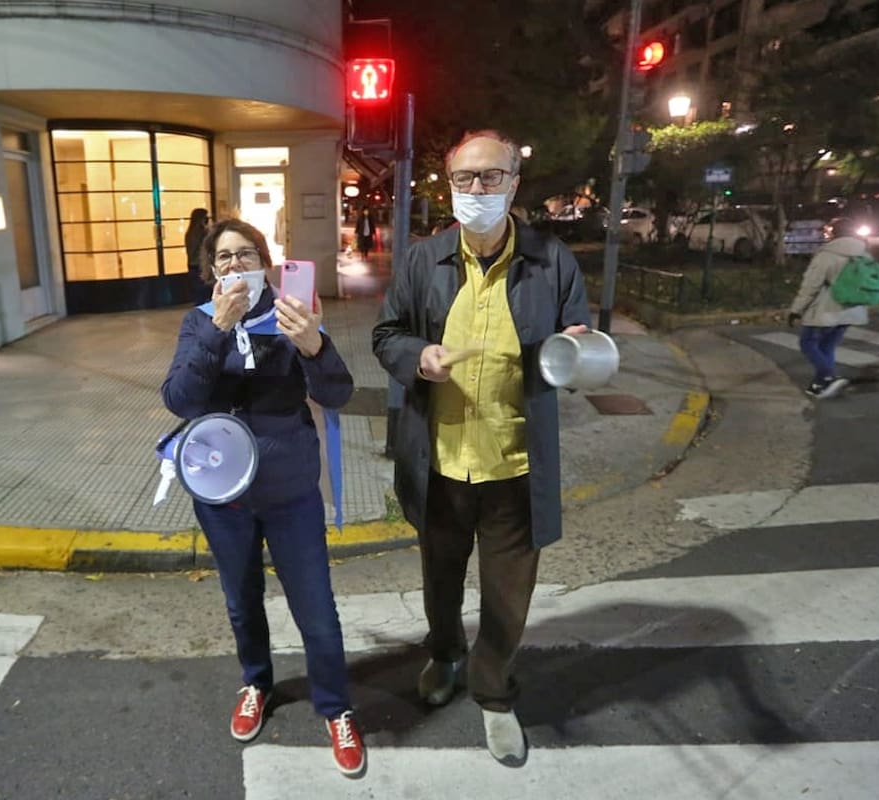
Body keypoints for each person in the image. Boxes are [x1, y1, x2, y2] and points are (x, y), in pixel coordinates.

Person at [371, 129, 591, 766]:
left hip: (515, 465)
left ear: (515, 184)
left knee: (507, 592)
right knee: (440, 579)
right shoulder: (421, 260)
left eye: (491, 177)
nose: (477, 190)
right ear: (449, 186)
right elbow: (385, 335)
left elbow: (575, 347)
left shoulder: (553, 262)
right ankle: (445, 656)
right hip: (436, 460)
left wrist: (574, 349)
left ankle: (494, 691)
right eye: (465, 179)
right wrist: (418, 357)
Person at [161, 218, 366, 777]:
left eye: (245, 254)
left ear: (265, 263)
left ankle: (336, 706)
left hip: (290, 486)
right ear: (210, 270)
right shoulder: (198, 322)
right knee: (241, 599)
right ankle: (256, 682)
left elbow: (337, 392)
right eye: (223, 258)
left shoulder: (291, 312)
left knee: (316, 607)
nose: (234, 265)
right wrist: (216, 332)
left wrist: (312, 343)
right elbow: (181, 399)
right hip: (222, 491)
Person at [788, 216, 868, 398]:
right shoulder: (864, 253)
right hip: (852, 309)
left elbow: (811, 285)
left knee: (807, 343)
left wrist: (796, 309)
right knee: (828, 345)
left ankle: (829, 376)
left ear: (835, 233)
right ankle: (819, 384)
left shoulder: (828, 254)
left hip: (827, 309)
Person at [184, 208, 211, 304]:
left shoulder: (190, 233)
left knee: (199, 293)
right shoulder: (200, 233)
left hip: (193, 265)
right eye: (205, 218)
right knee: (202, 292)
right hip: (199, 266)